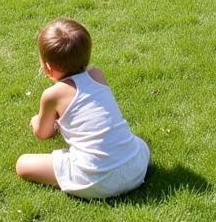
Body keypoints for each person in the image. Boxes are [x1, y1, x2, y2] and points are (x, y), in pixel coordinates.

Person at [15, 18, 150, 200]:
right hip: (136, 167)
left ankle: (94, 172)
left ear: (48, 67)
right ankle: (121, 162)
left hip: (97, 181)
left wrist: (35, 121)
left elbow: (43, 133)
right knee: (137, 142)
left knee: (23, 164)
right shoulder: (97, 75)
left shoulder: (52, 95)